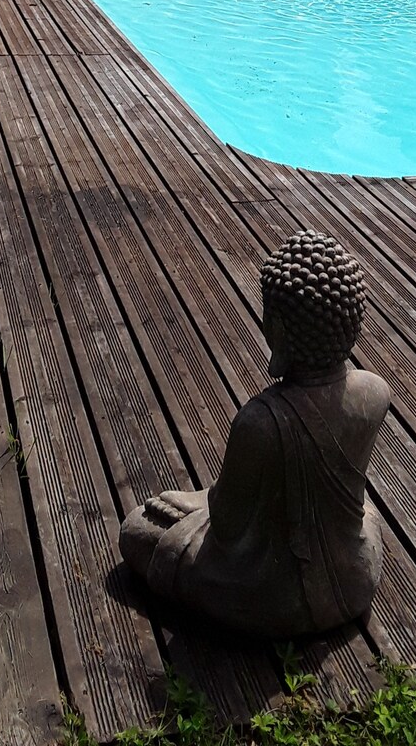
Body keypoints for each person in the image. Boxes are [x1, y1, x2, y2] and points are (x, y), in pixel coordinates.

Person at [119, 230, 389, 637]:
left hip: (270, 595)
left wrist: (196, 502)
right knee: (367, 512)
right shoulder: (373, 392)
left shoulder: (260, 421)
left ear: (279, 329)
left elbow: (226, 524)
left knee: (138, 529)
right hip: (354, 579)